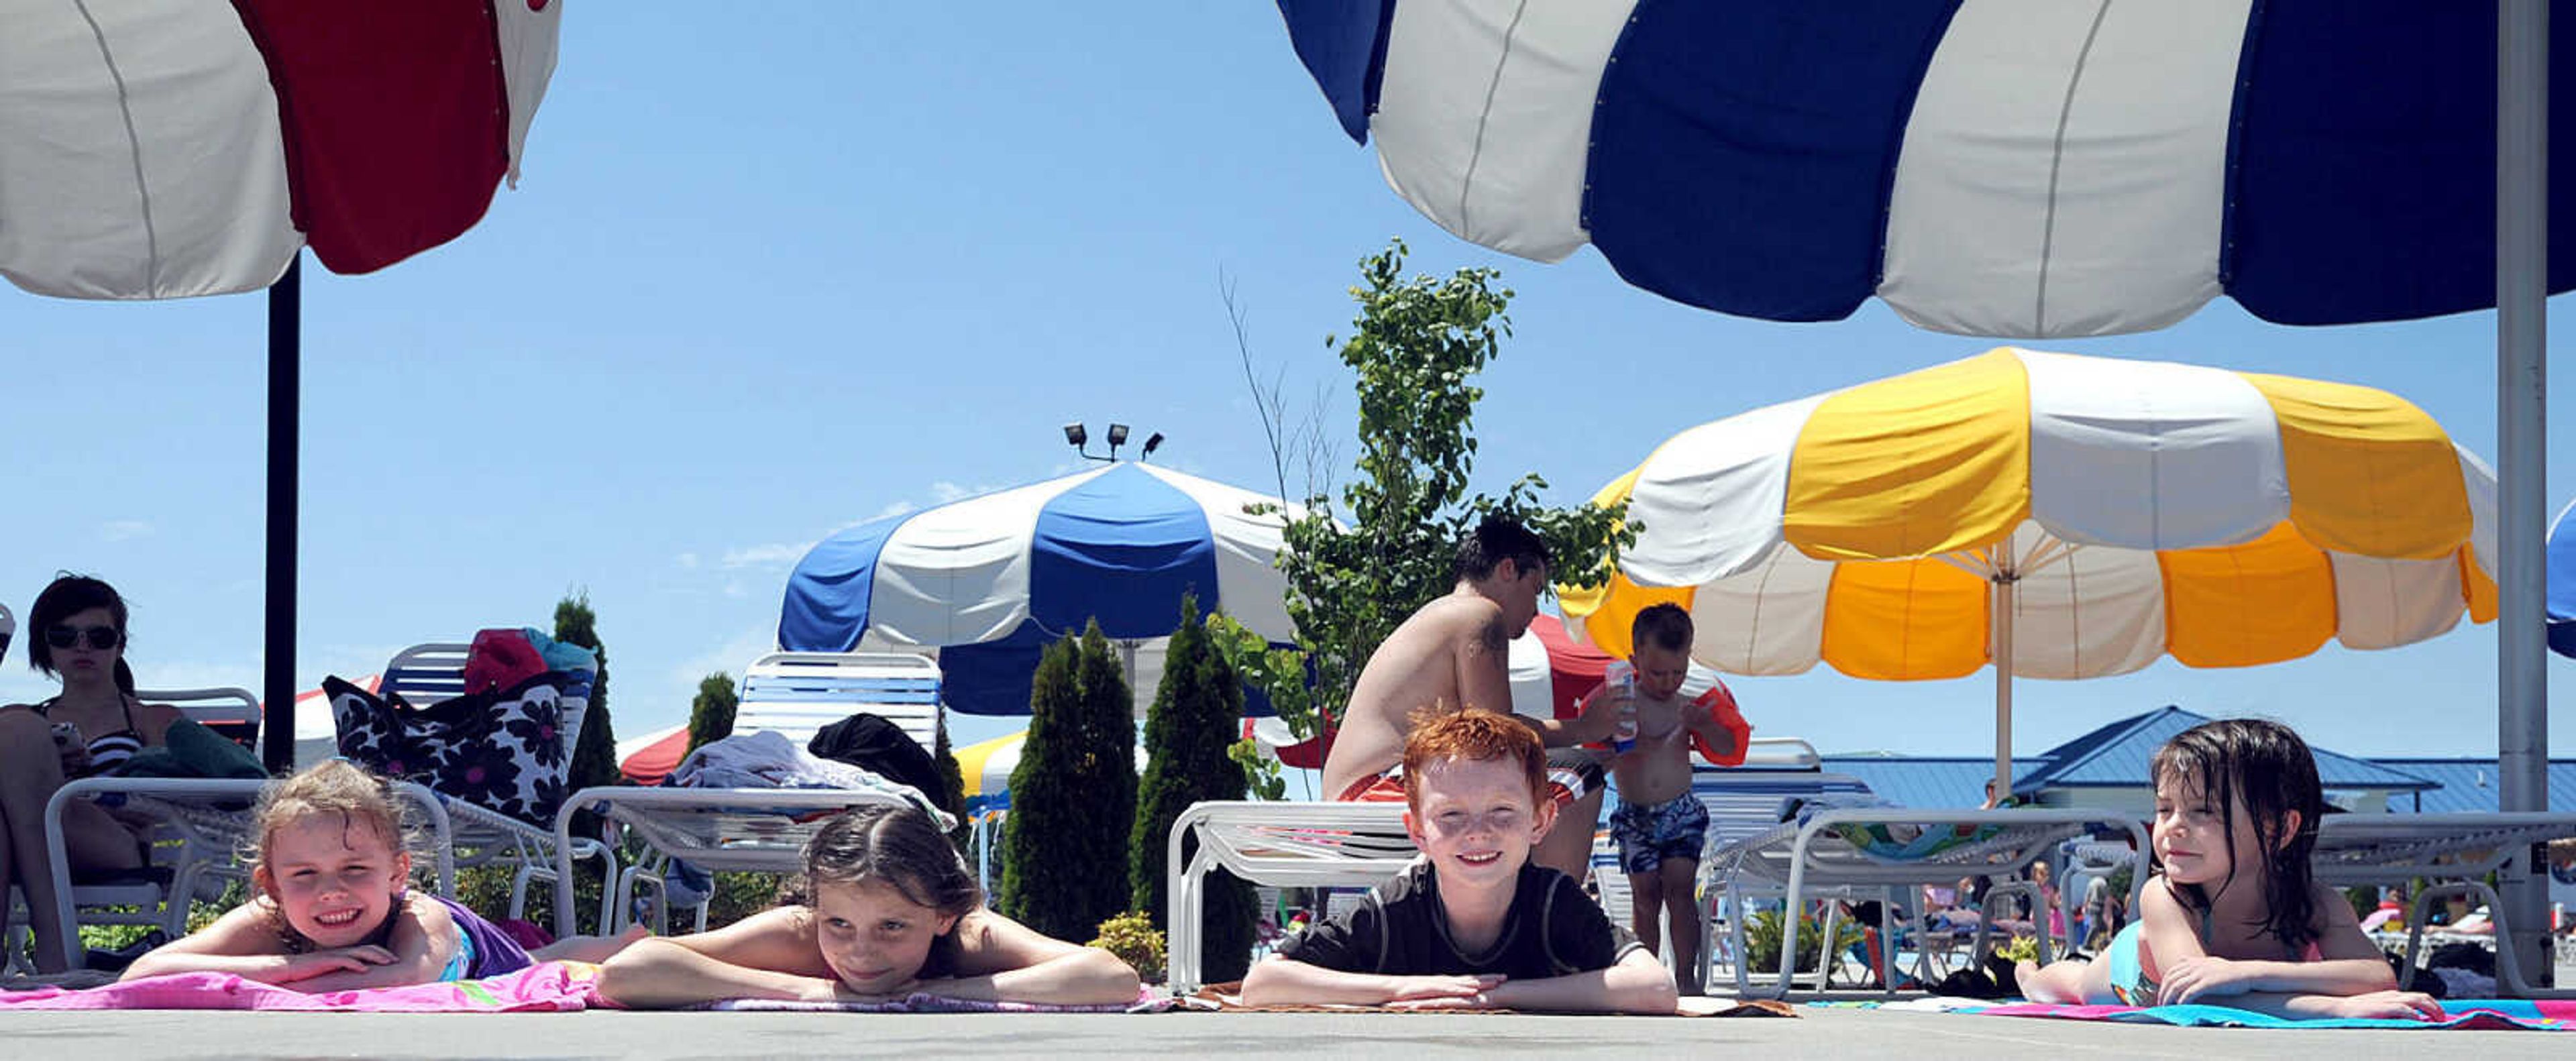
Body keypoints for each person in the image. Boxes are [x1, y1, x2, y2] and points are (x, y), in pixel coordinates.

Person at [1242, 706, 1676, 1013]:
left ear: (1541, 821)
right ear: (1418, 832)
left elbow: (1654, 986)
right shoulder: (1396, 909)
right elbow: (1263, 983)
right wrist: (1404, 989)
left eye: (1502, 811)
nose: (1478, 831)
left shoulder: (1551, 901)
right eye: (1450, 814)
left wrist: (1494, 996)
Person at [2013, 718, 2444, 1021]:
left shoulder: (2315, 903)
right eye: (2165, 809)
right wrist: (2333, 1006)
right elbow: (2200, 999)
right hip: (2129, 975)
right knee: (2072, 984)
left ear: (2281, 828)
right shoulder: (2165, 895)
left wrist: (2248, 972)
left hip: (2224, 973)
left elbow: (2375, 976)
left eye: (2202, 811)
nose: (2174, 826)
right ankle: (2032, 977)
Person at [122, 760, 643, 985]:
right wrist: (284, 967)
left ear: (397, 873)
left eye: (354, 869)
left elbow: (406, 979)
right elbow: (142, 973)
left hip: (480, 953)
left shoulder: (421, 915)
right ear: (272, 885)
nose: (330, 891)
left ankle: (630, 940)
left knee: (547, 959)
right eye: (304, 875)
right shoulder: (269, 915)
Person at [594, 803, 1139, 1007]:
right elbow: (627, 971)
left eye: (893, 926)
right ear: (817, 905)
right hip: (616, 949)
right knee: (608, 946)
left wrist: (939, 989)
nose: (860, 951)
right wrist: (803, 987)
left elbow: (1113, 976)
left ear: (942, 915)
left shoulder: (971, 936)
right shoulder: (799, 933)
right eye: (840, 922)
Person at [1321, 514, 1619, 881]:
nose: (1536, 610)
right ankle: (1550, 925)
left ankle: (1520, 914)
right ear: (1508, 569)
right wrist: (1585, 728)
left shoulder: (1440, 615)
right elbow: (1496, 733)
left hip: (1352, 808)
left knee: (1522, 784)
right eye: (1536, 589)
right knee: (1579, 773)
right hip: (1372, 800)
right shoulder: (1479, 615)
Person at [0, 575, 187, 972]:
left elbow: (182, 796)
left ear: (119, 645)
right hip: (30, 837)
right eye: (65, 636)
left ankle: (53, 943)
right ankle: (54, 950)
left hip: (114, 838)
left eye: (98, 636)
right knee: (17, 732)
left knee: (17, 731)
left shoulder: (154, 720)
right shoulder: (27, 720)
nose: (82, 646)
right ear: (45, 646)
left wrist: (92, 787)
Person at [1581, 604, 1747, 995]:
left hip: (1680, 810)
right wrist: (1615, 748)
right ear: (1634, 659)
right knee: (1645, 897)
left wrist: (1705, 725)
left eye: (1678, 672)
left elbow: (1727, 750)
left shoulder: (1688, 707)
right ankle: (1649, 978)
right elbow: (1594, 755)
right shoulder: (1620, 705)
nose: (1669, 681)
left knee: (1680, 888)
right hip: (1634, 814)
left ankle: (1686, 978)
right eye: (1657, 673)